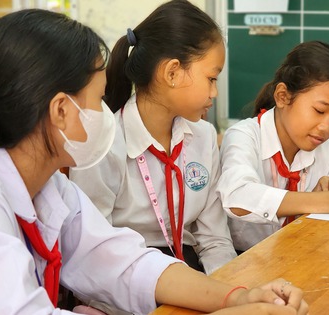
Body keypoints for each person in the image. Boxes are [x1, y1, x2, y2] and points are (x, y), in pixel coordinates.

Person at [0, 9, 309, 315]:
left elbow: (121, 262)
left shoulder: (51, 187)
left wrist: (237, 297)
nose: (105, 113)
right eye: (98, 100)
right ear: (60, 111)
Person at [70, 0, 236, 274]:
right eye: (211, 78)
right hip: (127, 281)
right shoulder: (104, 145)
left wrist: (224, 290)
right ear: (171, 72)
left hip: (190, 272)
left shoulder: (204, 136)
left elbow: (214, 238)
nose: (214, 93)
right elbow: (93, 252)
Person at [216, 41, 329, 251]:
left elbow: (315, 228)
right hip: (242, 259)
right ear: (283, 96)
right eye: (319, 110)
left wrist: (319, 203)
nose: (326, 127)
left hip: (299, 256)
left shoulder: (328, 151)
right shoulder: (244, 136)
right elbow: (238, 197)